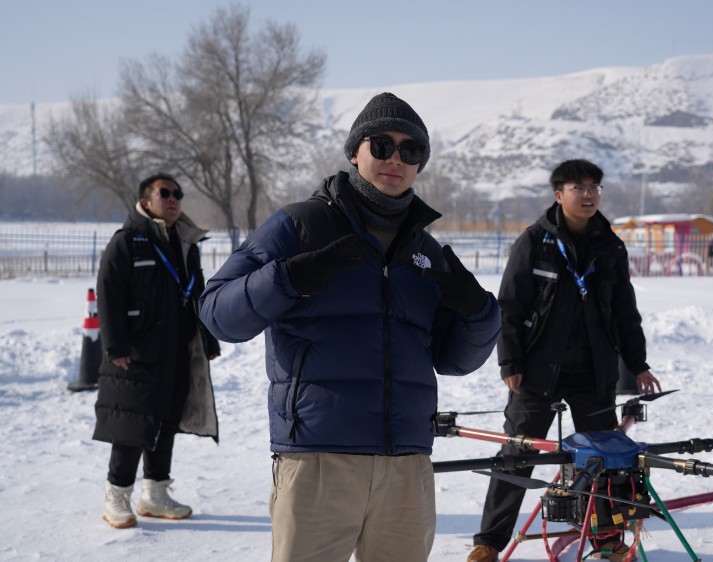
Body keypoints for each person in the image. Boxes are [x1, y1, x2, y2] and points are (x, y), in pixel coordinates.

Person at [198, 92, 501, 562]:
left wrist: (480, 314)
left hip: (406, 464)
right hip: (319, 458)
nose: (395, 159)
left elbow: (454, 360)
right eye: (381, 145)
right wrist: (287, 278)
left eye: (410, 150)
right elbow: (217, 312)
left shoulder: (425, 249)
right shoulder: (299, 225)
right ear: (354, 151)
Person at [468, 159, 662, 562]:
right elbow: (510, 307)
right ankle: (488, 542)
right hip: (537, 372)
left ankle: (606, 537)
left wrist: (638, 364)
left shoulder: (611, 246)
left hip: (594, 373)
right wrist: (510, 362)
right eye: (579, 187)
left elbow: (625, 312)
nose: (588, 195)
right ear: (559, 195)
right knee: (518, 454)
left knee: (604, 460)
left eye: (594, 188)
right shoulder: (535, 241)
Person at [93, 173, 221, 529]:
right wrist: (115, 344)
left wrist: (208, 340)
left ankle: (155, 494)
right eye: (165, 193)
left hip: (177, 351)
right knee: (132, 426)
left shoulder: (185, 242)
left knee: (166, 424)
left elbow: (198, 295)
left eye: (178, 193)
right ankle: (116, 496)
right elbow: (108, 294)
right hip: (136, 353)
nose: (174, 199)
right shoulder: (128, 242)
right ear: (146, 201)